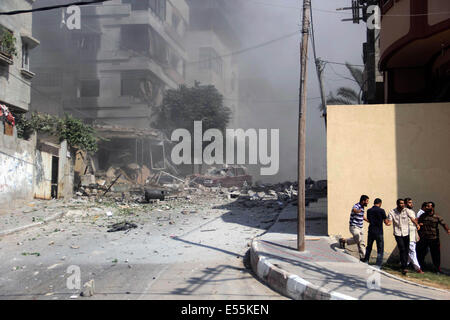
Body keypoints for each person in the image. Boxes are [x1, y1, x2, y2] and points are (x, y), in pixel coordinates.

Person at [387, 199, 420, 275]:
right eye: (400, 203)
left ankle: (404, 265)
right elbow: (390, 221)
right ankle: (404, 267)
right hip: (397, 233)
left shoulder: (406, 211)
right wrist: (388, 223)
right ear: (397, 204)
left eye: (403, 203)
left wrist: (417, 224)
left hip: (406, 233)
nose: (402, 205)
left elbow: (412, 219)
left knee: (406, 249)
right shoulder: (392, 212)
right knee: (402, 248)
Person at [417, 202, 450, 273]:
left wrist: (447, 230)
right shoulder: (422, 216)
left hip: (434, 239)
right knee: (421, 254)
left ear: (432, 208)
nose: (426, 207)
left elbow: (443, 224)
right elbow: (418, 224)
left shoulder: (437, 217)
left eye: (428, 206)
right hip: (424, 238)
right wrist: (419, 225)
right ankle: (421, 267)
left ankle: (437, 269)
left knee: (436, 255)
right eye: (426, 206)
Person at [339, 195, 370, 261]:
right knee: (358, 239)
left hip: (361, 227)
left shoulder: (362, 207)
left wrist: (368, 220)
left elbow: (362, 216)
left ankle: (363, 258)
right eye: (367, 201)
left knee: (362, 243)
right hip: (354, 227)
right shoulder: (356, 206)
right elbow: (354, 210)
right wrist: (357, 211)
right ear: (363, 201)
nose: (368, 202)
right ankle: (344, 240)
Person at [361, 198, 391, 267]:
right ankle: (378, 264)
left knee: (369, 247)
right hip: (379, 232)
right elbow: (386, 222)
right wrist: (390, 223)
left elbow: (369, 220)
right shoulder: (381, 210)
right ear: (380, 203)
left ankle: (366, 261)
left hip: (371, 231)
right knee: (380, 249)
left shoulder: (369, 211)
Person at [404, 198, 424, 273]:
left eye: (411, 202)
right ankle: (417, 268)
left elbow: (414, 222)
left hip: (413, 232)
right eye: (409, 202)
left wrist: (417, 233)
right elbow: (412, 221)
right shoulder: (405, 211)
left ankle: (404, 265)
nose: (411, 204)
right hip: (408, 233)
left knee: (411, 250)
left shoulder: (411, 211)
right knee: (412, 250)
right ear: (405, 204)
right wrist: (417, 224)